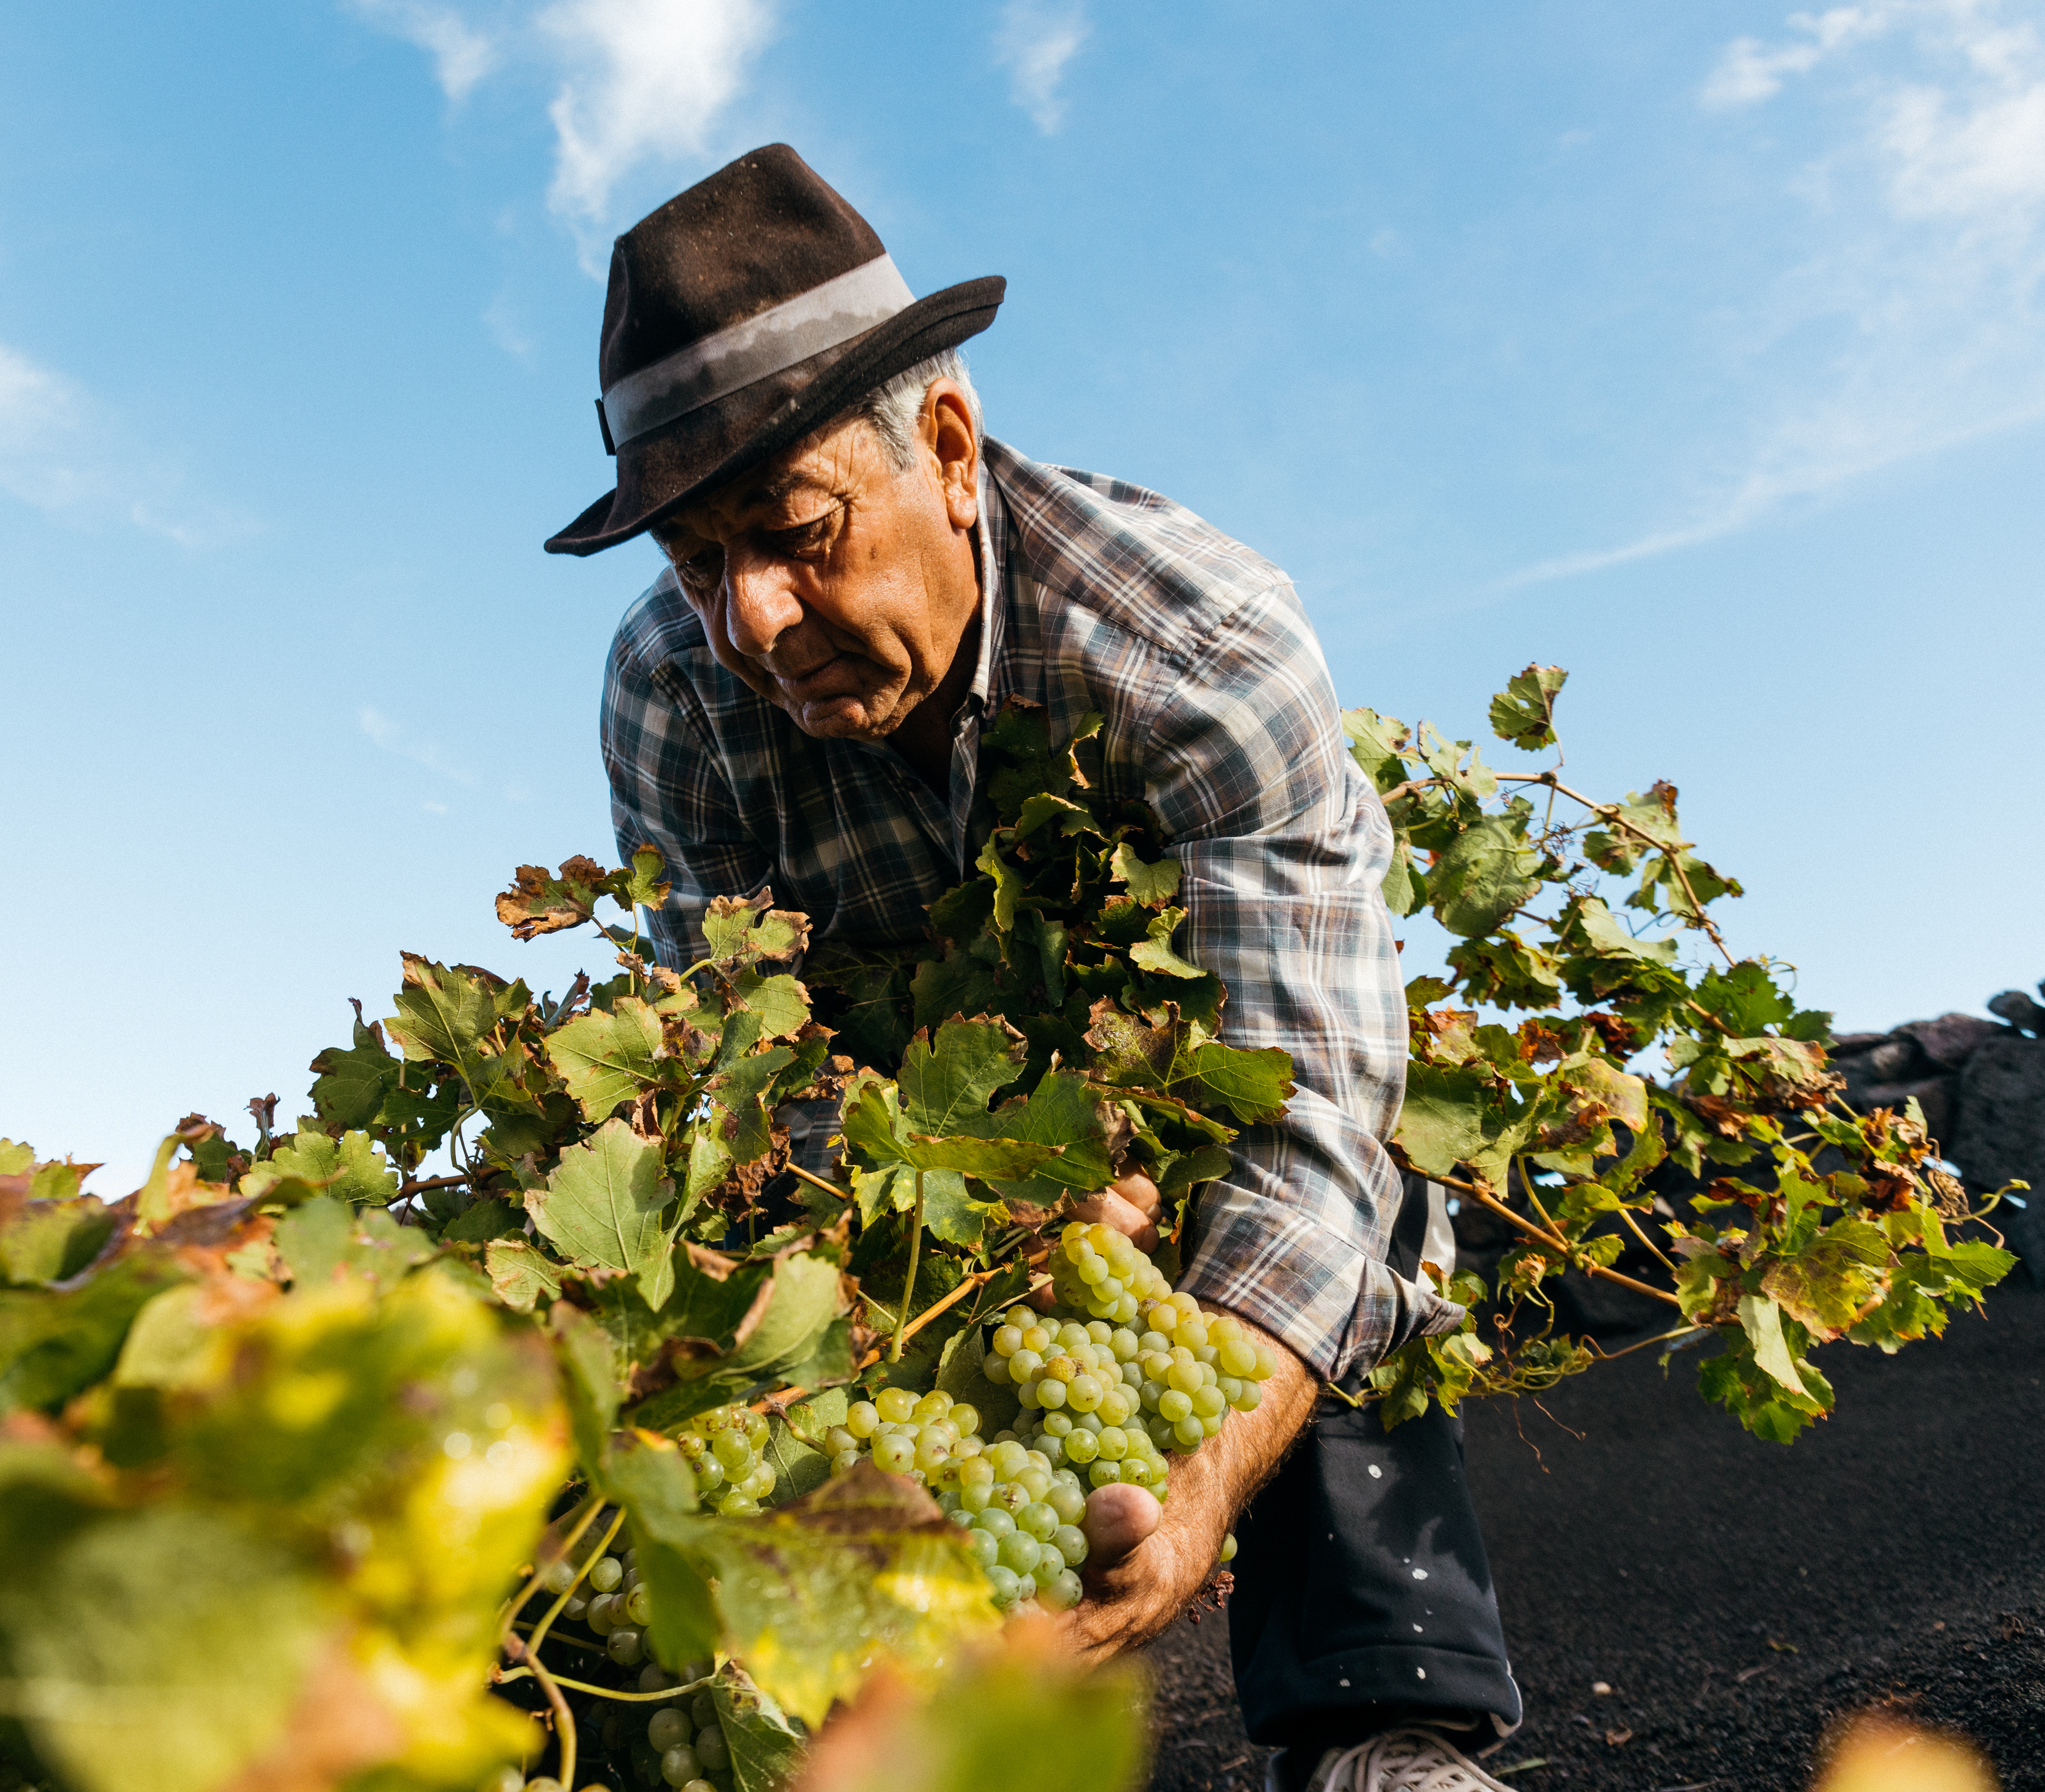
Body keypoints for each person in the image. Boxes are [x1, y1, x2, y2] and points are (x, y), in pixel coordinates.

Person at [546, 144, 1526, 1792]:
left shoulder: (1196, 646)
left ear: (945, 447)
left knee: (1365, 1195)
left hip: (1177, 1047)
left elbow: (1310, 1119)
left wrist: (1200, 1487)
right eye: (698, 563)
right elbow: (736, 1084)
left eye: (790, 535)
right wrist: (942, 1228)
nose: (749, 621)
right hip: (914, 1115)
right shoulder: (668, 700)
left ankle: (1381, 1726)